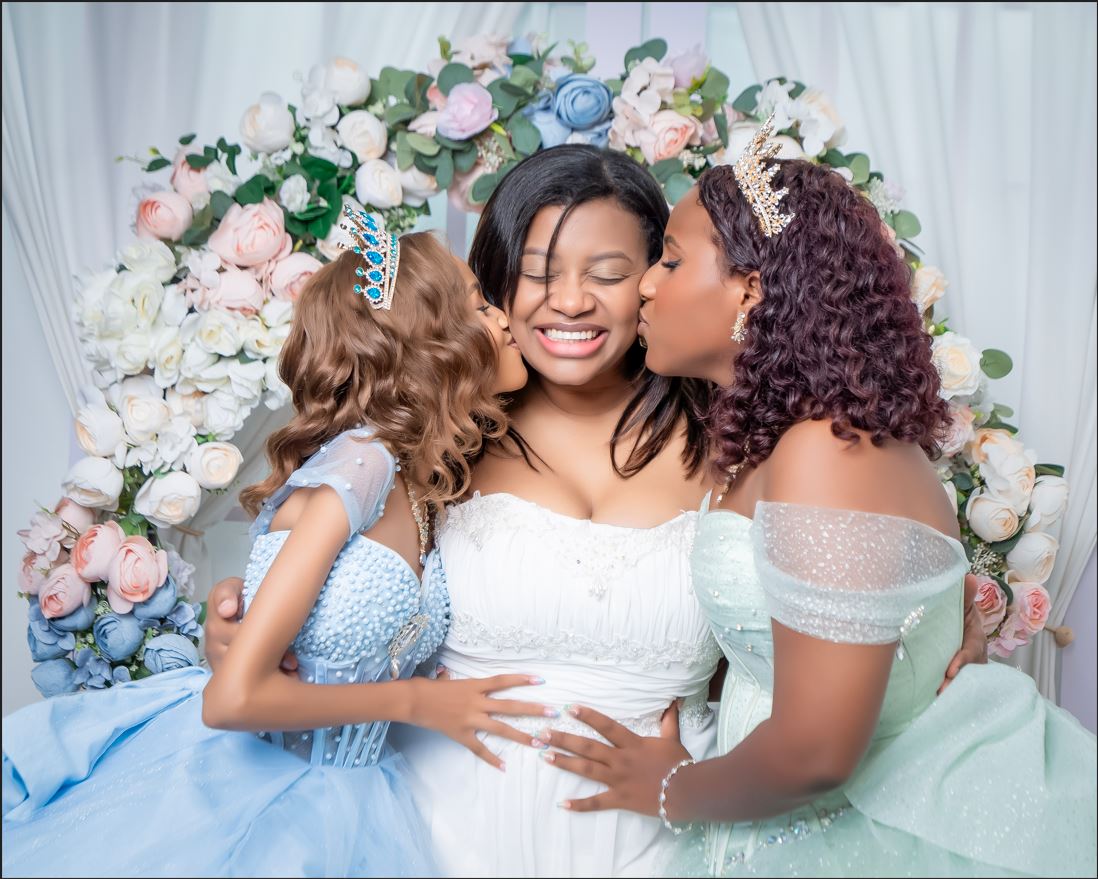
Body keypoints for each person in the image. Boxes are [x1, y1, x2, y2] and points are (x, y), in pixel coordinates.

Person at [207, 146, 989, 878]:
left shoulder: (749, 443)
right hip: (435, 829)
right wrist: (255, 632)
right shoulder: (441, 441)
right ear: (493, 285)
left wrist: (936, 645)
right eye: (536, 274)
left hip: (663, 841)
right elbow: (337, 592)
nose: (572, 301)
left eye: (614, 272)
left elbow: (799, 639)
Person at [536, 123, 1098, 877]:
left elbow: (819, 752)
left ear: (751, 289)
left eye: (670, 259)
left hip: (885, 828)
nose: (645, 283)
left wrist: (669, 788)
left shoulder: (825, 450)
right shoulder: (780, 442)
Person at [2, 217, 542, 877]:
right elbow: (231, 699)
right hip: (256, 796)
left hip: (355, 790)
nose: (505, 318)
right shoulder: (364, 464)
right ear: (431, 340)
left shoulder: (415, 477)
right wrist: (415, 702)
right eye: (480, 305)